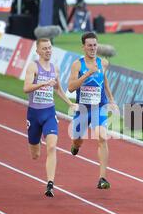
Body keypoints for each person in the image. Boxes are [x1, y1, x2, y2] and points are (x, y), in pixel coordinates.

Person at [23, 38, 77, 197]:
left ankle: (50, 184)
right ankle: (36, 138)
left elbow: (58, 89)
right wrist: (43, 83)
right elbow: (26, 88)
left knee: (52, 147)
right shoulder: (33, 66)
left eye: (49, 48)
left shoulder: (55, 68)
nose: (48, 51)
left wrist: (69, 103)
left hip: (49, 113)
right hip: (34, 114)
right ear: (37, 51)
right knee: (35, 155)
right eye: (44, 48)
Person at [68, 32, 117, 189]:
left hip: (99, 107)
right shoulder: (77, 64)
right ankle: (75, 146)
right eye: (89, 45)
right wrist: (88, 74)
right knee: (77, 140)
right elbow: (70, 87)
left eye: (95, 45)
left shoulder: (103, 63)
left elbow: (105, 82)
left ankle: (102, 178)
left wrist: (111, 100)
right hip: (83, 109)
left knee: (103, 137)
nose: (93, 48)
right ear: (83, 47)